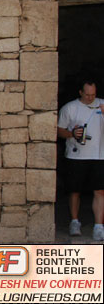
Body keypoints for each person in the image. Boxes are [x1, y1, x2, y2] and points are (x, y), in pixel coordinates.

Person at [57, 80, 104, 241]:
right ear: (81, 92)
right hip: (76, 155)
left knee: (99, 191)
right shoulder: (70, 108)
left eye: (93, 94)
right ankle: (74, 222)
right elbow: (59, 131)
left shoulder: (102, 106)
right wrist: (72, 134)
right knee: (74, 190)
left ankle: (99, 226)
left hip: (99, 155)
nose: (91, 98)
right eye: (87, 94)